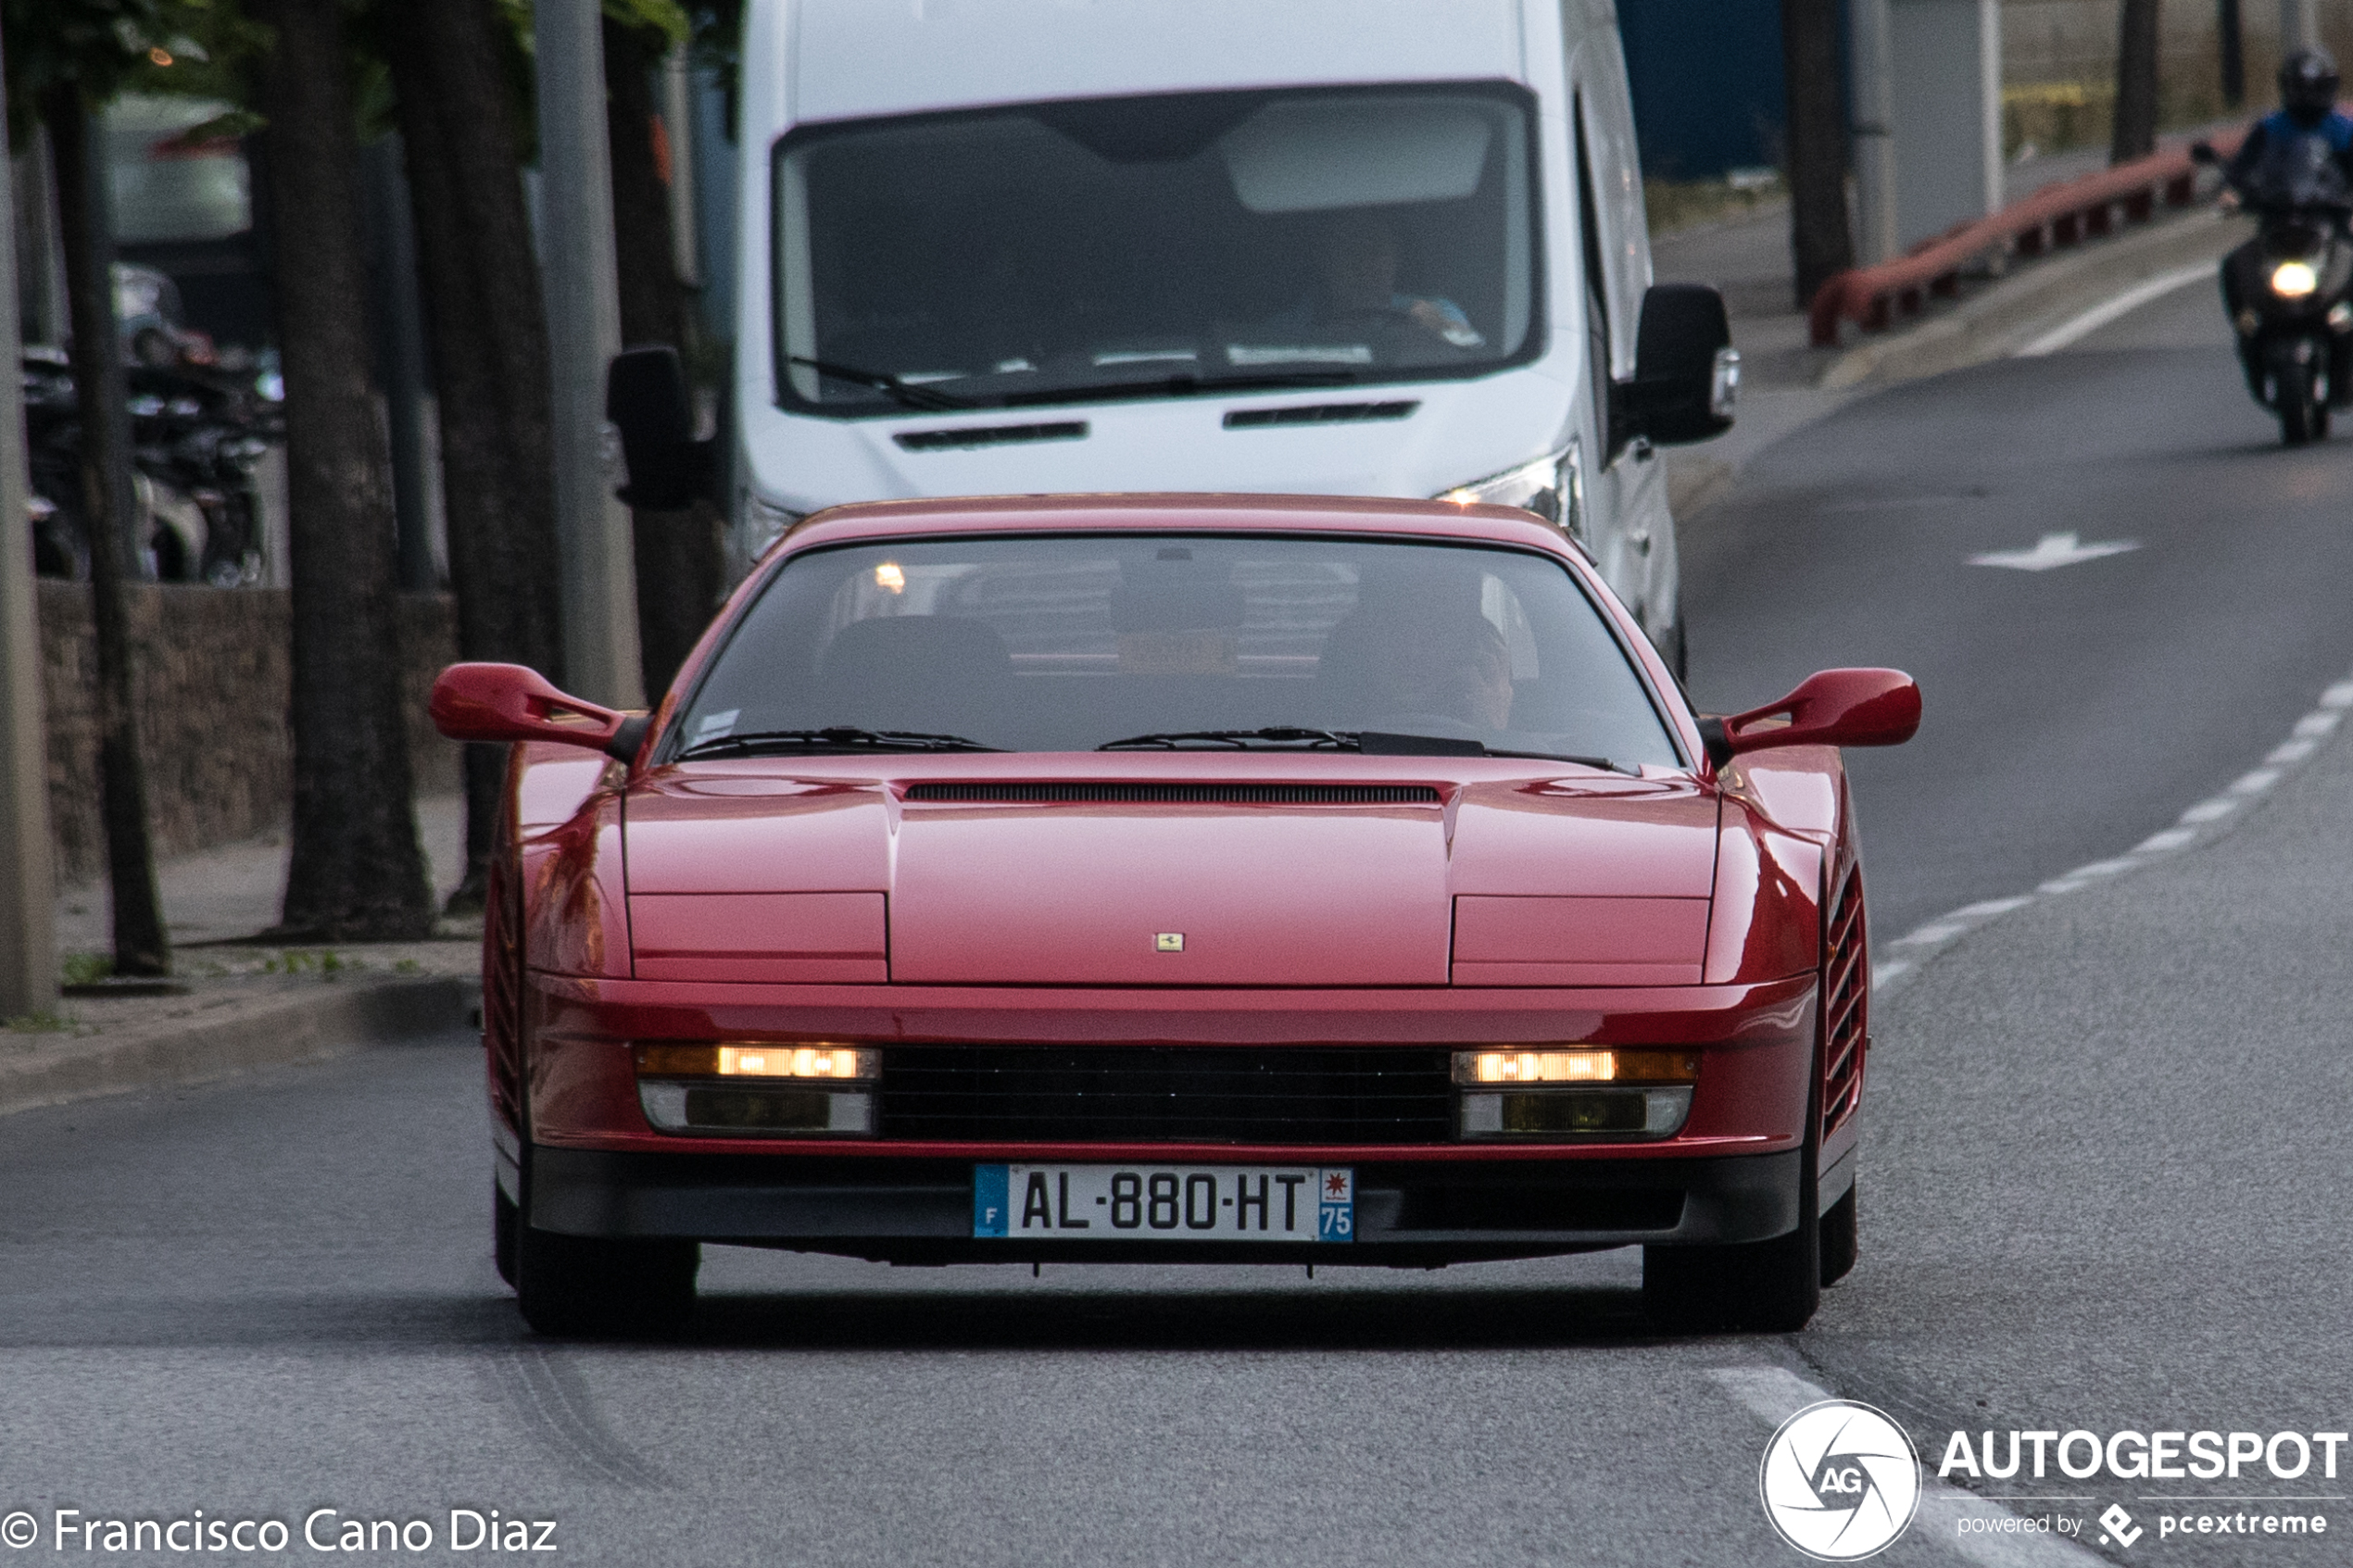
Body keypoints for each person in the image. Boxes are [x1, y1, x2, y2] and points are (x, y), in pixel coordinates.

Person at [2218, 49, 2353, 403]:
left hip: (2329, 222)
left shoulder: (2342, 130)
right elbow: (2242, 168)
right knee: (2234, 266)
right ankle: (2249, 328)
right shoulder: (2271, 129)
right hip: (2280, 224)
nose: (2307, 95)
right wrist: (2231, 192)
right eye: (2300, 87)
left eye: (2315, 87)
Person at [1314, 210, 1486, 351]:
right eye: (1351, 252)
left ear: (1396, 260)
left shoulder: (1435, 309)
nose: (1365, 265)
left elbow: (1474, 347)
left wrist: (1439, 326)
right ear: (1326, 261)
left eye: (1376, 251)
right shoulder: (1295, 320)